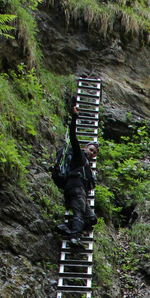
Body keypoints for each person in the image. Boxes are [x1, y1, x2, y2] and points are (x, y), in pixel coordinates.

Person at [57, 102, 98, 244]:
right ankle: (75, 237)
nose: (92, 153)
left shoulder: (86, 166)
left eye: (94, 153)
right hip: (75, 188)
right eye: (91, 150)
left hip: (81, 193)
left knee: (92, 219)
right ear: (86, 148)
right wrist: (75, 117)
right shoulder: (78, 155)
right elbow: (73, 136)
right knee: (79, 215)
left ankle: (67, 227)